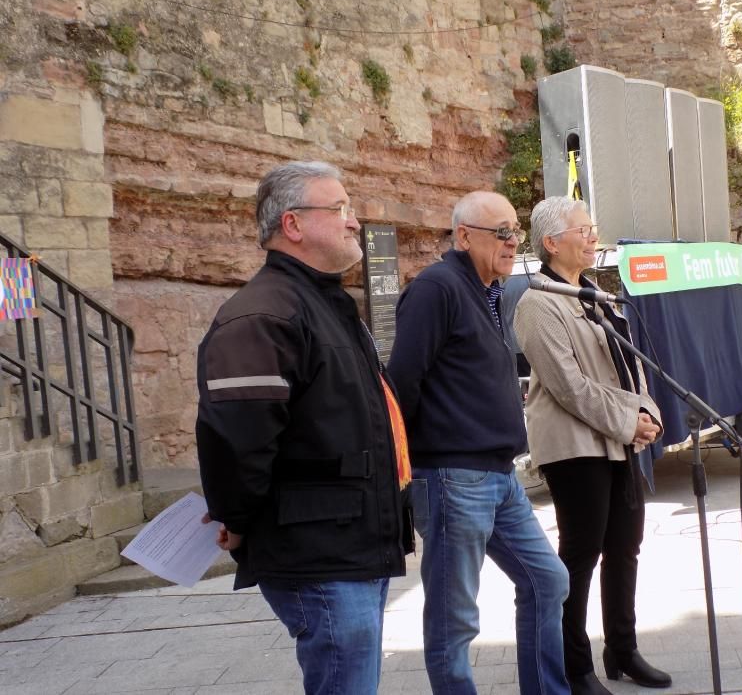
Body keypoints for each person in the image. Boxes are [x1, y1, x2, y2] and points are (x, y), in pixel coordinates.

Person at [196, 161, 413, 695]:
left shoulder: (324, 305)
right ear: (292, 224)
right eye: (339, 209)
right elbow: (236, 440)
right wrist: (237, 518)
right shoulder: (262, 316)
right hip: (318, 552)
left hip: (351, 543)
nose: (354, 222)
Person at [388, 190, 571, 695]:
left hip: (498, 476)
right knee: (455, 620)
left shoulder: (488, 292)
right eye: (502, 232)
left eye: (516, 230)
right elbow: (401, 383)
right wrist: (403, 471)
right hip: (452, 476)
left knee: (547, 581)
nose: (514, 241)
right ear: (464, 236)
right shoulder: (436, 289)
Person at [513, 195, 672, 694]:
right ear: (551, 242)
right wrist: (631, 422)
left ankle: (622, 651)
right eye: (582, 229)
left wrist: (649, 413)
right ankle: (573, 666)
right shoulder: (537, 304)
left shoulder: (594, 295)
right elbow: (569, 386)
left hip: (620, 438)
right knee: (580, 556)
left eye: (592, 227)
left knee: (625, 547)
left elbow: (630, 365)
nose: (592, 236)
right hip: (574, 445)